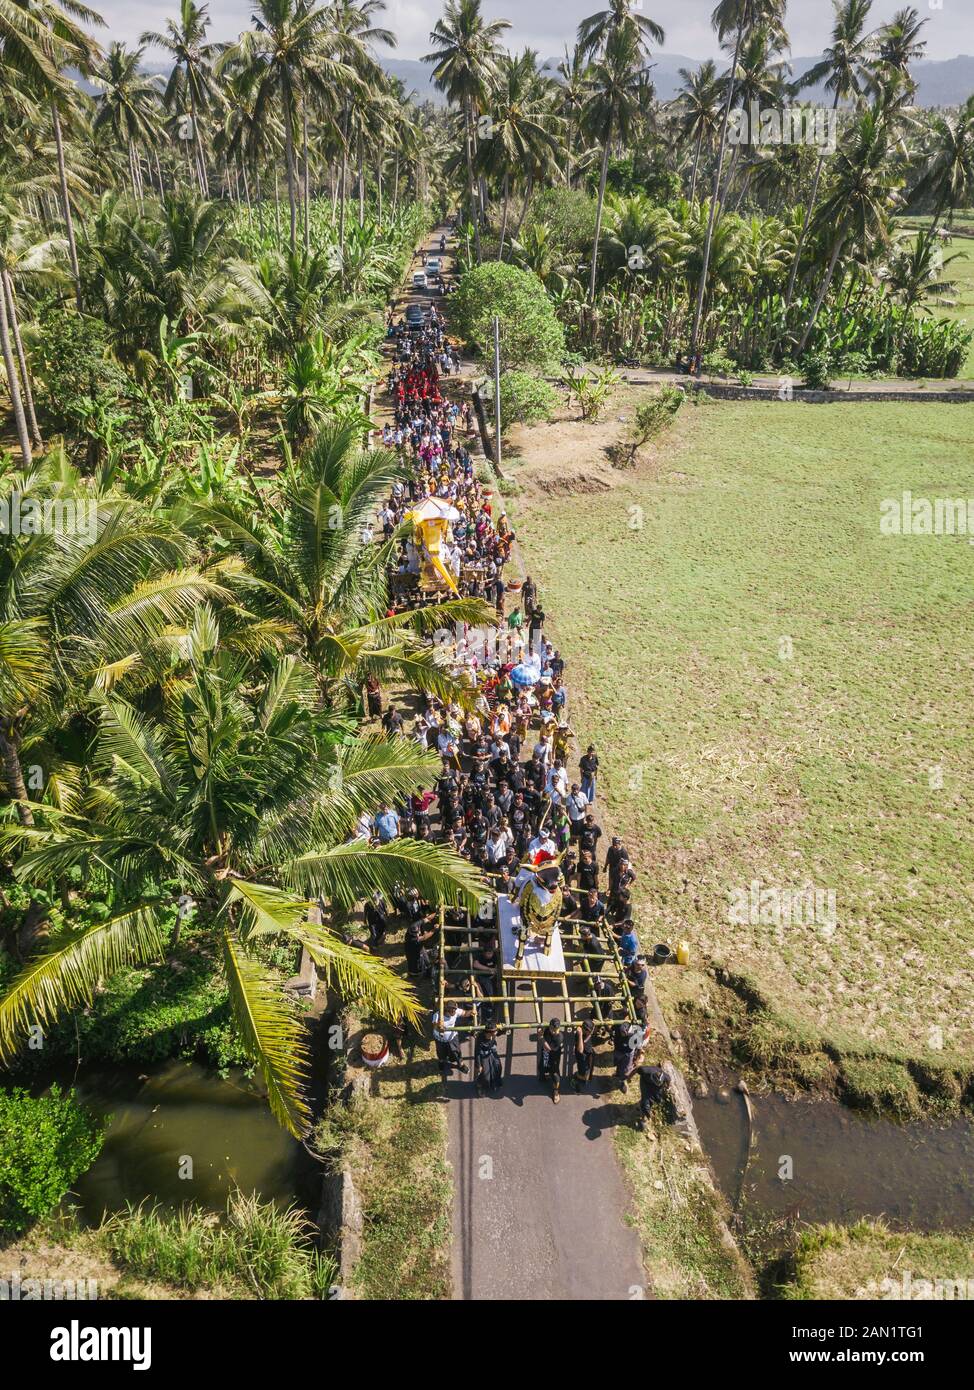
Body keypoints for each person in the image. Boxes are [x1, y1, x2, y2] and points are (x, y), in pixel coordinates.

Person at [432, 1003, 472, 1085]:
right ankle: (442, 1062)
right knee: (441, 1053)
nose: (455, 1011)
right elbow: (434, 1025)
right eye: (452, 1010)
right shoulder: (438, 1015)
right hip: (440, 1040)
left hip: (452, 1038)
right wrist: (439, 1026)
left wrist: (471, 1012)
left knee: (456, 1052)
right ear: (447, 1010)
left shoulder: (455, 1011)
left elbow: (464, 1013)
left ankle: (461, 1065)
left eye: (455, 1009)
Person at [636, 1064, 672, 1131]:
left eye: (660, 1082)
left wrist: (668, 1087)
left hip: (656, 1088)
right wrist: (628, 1077)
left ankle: (641, 1104)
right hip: (645, 1084)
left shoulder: (665, 1076)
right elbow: (636, 1069)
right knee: (646, 1102)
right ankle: (643, 1118)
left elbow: (668, 1080)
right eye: (657, 1082)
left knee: (657, 1099)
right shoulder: (645, 1071)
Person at [475, 1023, 504, 1096]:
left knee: (498, 1067)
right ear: (489, 1033)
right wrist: (479, 1065)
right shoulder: (480, 1039)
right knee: (485, 1074)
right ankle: (480, 1086)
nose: (496, 1032)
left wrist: (504, 1028)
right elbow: (477, 1053)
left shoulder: (494, 1034)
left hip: (492, 1053)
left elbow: (502, 1032)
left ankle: (495, 1083)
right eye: (495, 1031)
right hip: (483, 1056)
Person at [540, 1017, 564, 1103]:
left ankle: (556, 1091)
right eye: (552, 1029)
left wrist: (541, 1037)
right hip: (546, 1054)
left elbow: (548, 1048)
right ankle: (543, 1077)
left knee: (555, 1075)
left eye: (556, 1029)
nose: (554, 1031)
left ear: (559, 1028)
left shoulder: (559, 1037)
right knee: (543, 1066)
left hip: (554, 1058)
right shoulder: (547, 1030)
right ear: (549, 1026)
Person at [572, 1017, 596, 1092]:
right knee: (584, 1073)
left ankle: (581, 1078)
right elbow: (580, 1049)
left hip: (587, 1056)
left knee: (587, 1072)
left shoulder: (584, 1033)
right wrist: (579, 1035)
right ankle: (579, 1078)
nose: (591, 1032)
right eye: (589, 1030)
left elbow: (581, 1049)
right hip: (584, 1057)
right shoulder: (580, 1035)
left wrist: (580, 1034)